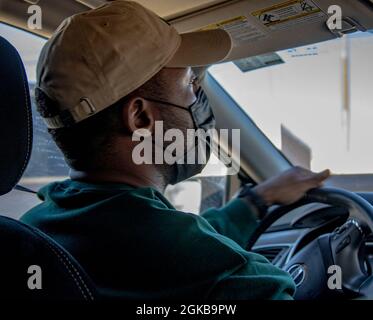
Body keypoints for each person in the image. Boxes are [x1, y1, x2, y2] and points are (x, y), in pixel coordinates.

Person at [21, 1, 330, 300]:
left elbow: (164, 242)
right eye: (189, 86)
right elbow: (181, 251)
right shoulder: (219, 274)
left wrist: (256, 200)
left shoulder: (33, 229)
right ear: (140, 117)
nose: (197, 99)